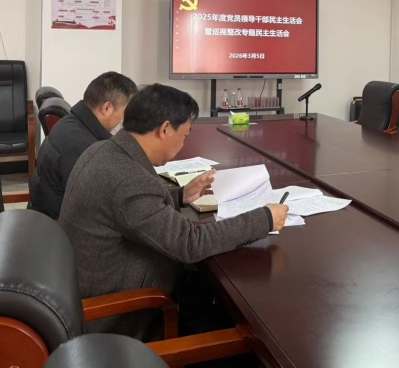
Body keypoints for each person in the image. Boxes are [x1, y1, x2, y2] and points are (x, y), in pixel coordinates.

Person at [59, 83, 289, 340]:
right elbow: (190, 244)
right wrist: (264, 219)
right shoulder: (128, 180)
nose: (183, 143)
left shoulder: (103, 150)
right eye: (185, 136)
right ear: (165, 129)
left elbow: (128, 210)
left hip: (100, 285)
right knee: (235, 322)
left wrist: (180, 195)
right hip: (120, 317)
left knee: (205, 286)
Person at [30, 71, 137, 219]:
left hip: (50, 213)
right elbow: (101, 204)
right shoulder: (83, 147)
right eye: (125, 114)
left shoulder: (72, 123)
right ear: (107, 108)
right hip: (58, 225)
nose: (124, 121)